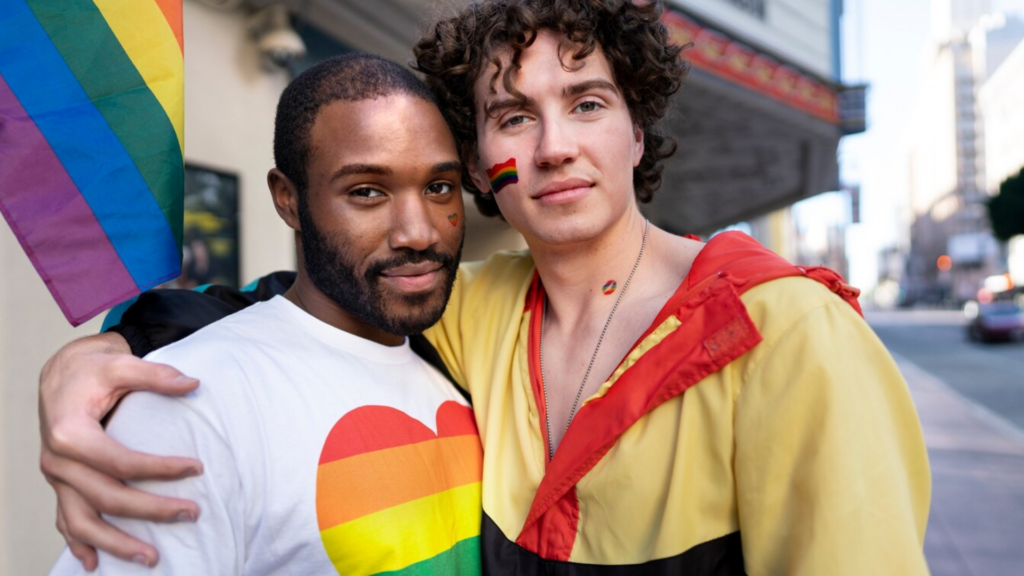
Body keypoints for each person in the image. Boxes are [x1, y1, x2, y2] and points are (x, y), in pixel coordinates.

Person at [40, 1, 932, 574]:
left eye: (587, 103)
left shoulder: (790, 333)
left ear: (635, 132)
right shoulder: (474, 307)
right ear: (477, 163)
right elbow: (296, 303)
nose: (552, 147)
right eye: (513, 116)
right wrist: (105, 350)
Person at [46, 54, 483, 574]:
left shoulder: (462, 359)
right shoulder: (188, 401)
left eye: (438, 187)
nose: (419, 232)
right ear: (288, 200)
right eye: (367, 191)